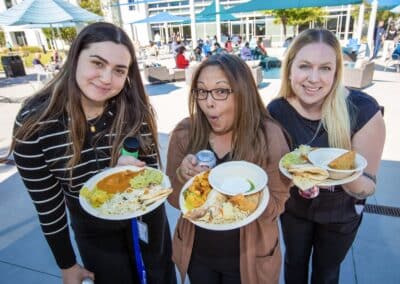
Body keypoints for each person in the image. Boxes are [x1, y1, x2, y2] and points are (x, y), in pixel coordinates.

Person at [7, 22, 176, 284]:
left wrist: (132, 174)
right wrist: (66, 264)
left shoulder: (133, 108)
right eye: (97, 63)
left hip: (146, 218)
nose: (107, 78)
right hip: (94, 231)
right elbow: (48, 207)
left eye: (119, 70)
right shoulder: (34, 124)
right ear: (75, 58)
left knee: (160, 276)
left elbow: (153, 173)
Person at [267, 28, 385, 284]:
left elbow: (367, 187)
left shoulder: (363, 111)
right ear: (290, 69)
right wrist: (298, 180)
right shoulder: (277, 111)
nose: (313, 78)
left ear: (336, 72)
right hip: (295, 210)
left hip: (341, 215)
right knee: (294, 264)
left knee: (326, 273)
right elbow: (277, 170)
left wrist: (336, 174)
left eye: (325, 68)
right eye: (305, 66)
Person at [166, 53, 291, 284]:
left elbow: (276, 206)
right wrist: (183, 178)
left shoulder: (269, 135)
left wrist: (246, 191)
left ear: (243, 92)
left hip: (250, 258)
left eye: (221, 91)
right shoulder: (185, 132)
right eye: (202, 91)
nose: (209, 102)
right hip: (198, 255)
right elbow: (174, 200)